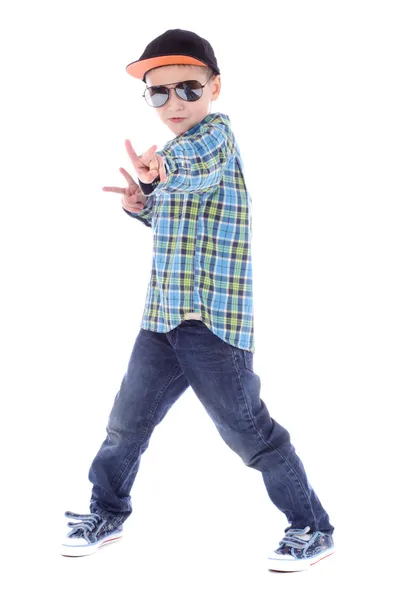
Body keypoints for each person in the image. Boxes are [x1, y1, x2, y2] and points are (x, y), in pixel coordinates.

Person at [61, 28, 335, 572]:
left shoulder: (213, 139)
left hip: (211, 325)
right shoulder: (172, 154)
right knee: (125, 426)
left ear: (214, 87)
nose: (173, 103)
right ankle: (107, 511)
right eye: (158, 93)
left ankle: (312, 528)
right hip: (162, 319)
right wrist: (145, 201)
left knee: (250, 435)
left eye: (186, 88)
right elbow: (176, 218)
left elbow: (196, 169)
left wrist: (163, 171)